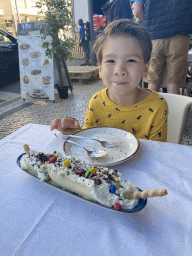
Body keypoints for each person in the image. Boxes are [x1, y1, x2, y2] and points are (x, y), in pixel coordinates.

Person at [51, 19, 168, 142]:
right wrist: (73, 130)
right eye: (111, 61)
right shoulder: (96, 102)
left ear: (145, 68)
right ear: (100, 69)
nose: (120, 70)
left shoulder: (157, 106)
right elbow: (90, 140)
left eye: (131, 60)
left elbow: (157, 153)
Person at [133, 0, 192, 94]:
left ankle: (152, 108)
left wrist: (152, 23)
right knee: (174, 82)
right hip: (179, 35)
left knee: (152, 80)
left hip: (154, 37)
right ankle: (172, 109)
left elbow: (137, 12)